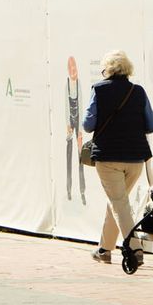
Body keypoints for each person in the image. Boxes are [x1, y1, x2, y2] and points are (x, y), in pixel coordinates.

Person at [83, 50, 153, 264]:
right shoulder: (138, 91)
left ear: (108, 69)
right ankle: (104, 249)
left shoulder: (98, 90)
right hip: (136, 158)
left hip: (108, 158)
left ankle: (135, 249)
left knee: (119, 202)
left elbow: (88, 125)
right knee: (118, 202)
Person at [63, 56, 86, 205]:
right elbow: (66, 105)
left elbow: (81, 104)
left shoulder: (78, 84)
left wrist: (80, 131)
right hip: (70, 124)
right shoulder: (67, 85)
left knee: (80, 159)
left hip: (77, 122)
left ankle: (82, 191)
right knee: (69, 159)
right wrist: (68, 126)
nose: (73, 71)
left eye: (75, 68)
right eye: (71, 68)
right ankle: (69, 190)